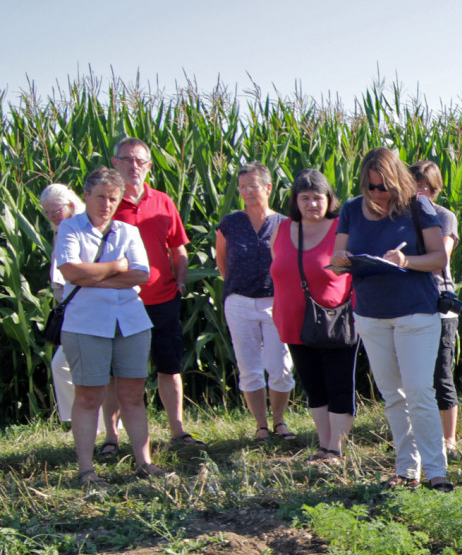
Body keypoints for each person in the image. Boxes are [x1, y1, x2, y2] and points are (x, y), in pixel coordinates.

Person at [331, 148, 451, 490]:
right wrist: (340, 259)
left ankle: (436, 471)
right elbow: (338, 259)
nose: (376, 194)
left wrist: (405, 261)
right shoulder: (353, 209)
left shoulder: (417, 206)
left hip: (415, 311)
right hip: (371, 313)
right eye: (370, 187)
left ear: (397, 181)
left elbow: (438, 258)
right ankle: (406, 469)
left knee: (418, 391)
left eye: (382, 186)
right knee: (392, 394)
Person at [54, 167, 168, 485]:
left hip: (130, 322)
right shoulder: (70, 229)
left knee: (132, 394)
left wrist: (94, 276)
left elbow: (141, 275)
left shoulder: (126, 232)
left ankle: (144, 462)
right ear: (86, 196)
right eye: (101, 196)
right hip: (85, 324)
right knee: (89, 396)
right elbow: (71, 273)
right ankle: (86, 469)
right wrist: (116, 267)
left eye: (113, 198)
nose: (106, 203)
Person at [110, 137, 201, 446]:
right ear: (115, 164)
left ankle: (177, 431)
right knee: (116, 373)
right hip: (120, 301)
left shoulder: (162, 201)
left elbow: (179, 247)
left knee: (169, 366)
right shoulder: (106, 203)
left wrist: (179, 281)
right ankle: (111, 437)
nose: (133, 166)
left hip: (162, 299)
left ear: (149, 166)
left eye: (139, 161)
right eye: (126, 160)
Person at [270, 169, 357, 462]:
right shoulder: (281, 230)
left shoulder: (341, 229)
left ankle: (336, 448)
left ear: (328, 199)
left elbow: (357, 272)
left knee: (338, 384)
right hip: (293, 322)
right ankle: (323, 445)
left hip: (335, 322)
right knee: (314, 385)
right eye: (304, 198)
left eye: (318, 198)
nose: (311, 204)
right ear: (295, 201)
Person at [215, 161, 295, 443]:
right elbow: (222, 262)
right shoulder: (231, 223)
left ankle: (280, 421)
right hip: (239, 301)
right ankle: (261, 425)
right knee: (248, 367)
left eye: (253, 186)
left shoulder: (284, 224)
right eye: (243, 187)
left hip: (276, 302)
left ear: (268, 187)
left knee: (280, 366)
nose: (247, 192)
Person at [409, 160, 462, 453]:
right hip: (406, 303)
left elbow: (441, 254)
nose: (418, 193)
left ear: (435, 189)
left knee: (441, 373)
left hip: (439, 301)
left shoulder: (443, 216)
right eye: (413, 187)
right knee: (414, 378)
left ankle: (448, 438)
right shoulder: (400, 216)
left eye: (424, 188)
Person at [39, 184, 92, 425]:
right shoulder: (63, 230)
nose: (52, 217)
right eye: (47, 212)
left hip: (86, 308)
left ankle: (90, 423)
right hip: (72, 310)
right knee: (63, 367)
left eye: (55, 211)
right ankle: (83, 423)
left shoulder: (81, 227)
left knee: (68, 366)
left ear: (70, 203)